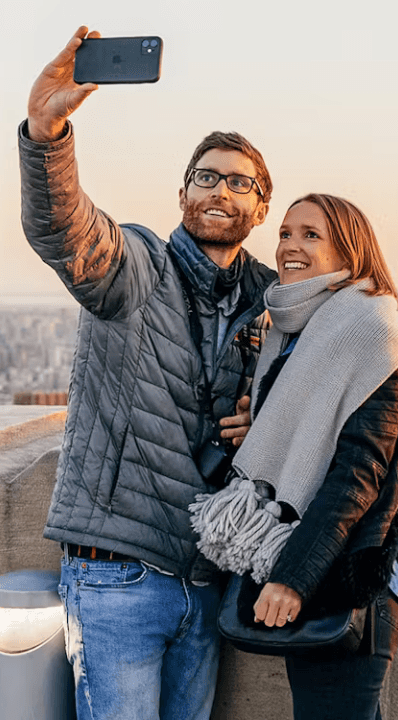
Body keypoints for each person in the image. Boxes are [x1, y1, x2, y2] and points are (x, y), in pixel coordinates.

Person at [18, 27, 277, 720]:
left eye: (239, 181)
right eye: (206, 176)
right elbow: (67, 231)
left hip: (209, 577)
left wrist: (268, 416)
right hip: (118, 573)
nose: (220, 189)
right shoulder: (138, 267)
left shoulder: (275, 301)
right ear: (183, 192)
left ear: (261, 207)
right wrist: (48, 134)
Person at [191, 193, 398, 720]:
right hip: (311, 558)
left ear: (351, 250)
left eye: (310, 235)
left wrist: (293, 577)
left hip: (349, 571)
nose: (290, 246)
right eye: (284, 233)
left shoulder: (373, 331)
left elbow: (357, 475)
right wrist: (263, 429)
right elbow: (312, 435)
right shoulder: (296, 331)